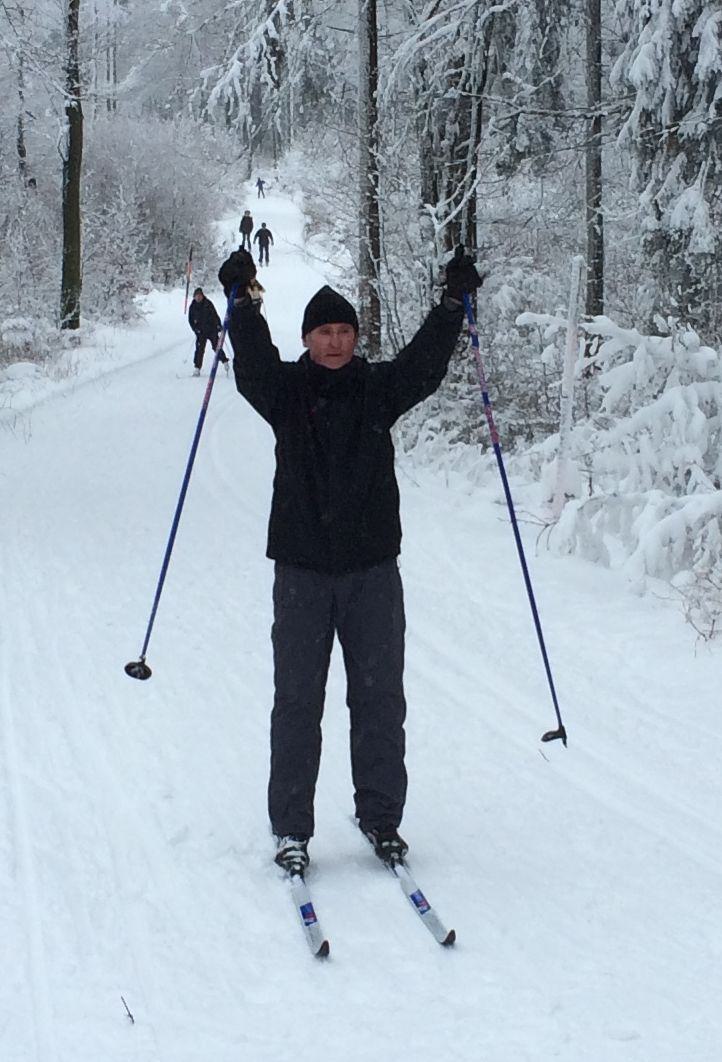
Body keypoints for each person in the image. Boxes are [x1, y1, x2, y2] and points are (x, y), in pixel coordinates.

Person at [218, 247, 483, 875]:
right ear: (307, 339)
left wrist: (451, 305)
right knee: (297, 702)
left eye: (344, 331)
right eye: (324, 332)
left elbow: (423, 365)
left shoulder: (377, 388)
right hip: (302, 573)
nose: (335, 341)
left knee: (379, 699)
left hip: (372, 572)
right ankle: (292, 828)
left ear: (355, 337)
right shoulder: (285, 392)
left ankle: (382, 818)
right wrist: (240, 303)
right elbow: (251, 364)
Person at [187, 287, 228, 376]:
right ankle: (197, 368)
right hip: (200, 332)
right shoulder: (192, 306)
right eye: (196, 296)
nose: (198, 297)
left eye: (200, 295)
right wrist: (195, 329)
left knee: (216, 347)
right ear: (194, 297)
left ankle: (225, 361)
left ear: (202, 296)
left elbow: (215, 315)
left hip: (211, 330)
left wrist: (218, 325)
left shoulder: (208, 304)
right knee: (199, 350)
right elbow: (190, 320)